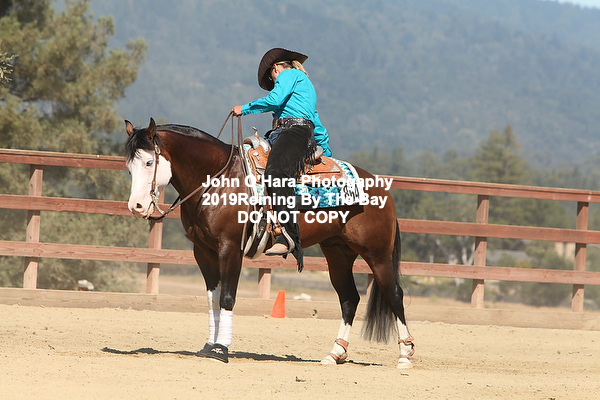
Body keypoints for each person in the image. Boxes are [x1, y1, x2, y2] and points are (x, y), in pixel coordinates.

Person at [233, 48, 331, 271]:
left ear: (276, 68)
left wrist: (244, 109)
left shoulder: (289, 74)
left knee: (276, 173)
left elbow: (274, 99)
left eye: (272, 78)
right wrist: (325, 150)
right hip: (289, 132)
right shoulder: (303, 88)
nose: (275, 82)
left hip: (293, 132)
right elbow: (315, 123)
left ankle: (288, 236)